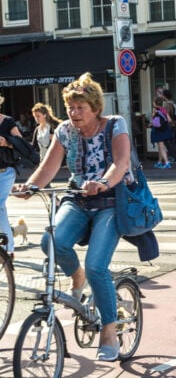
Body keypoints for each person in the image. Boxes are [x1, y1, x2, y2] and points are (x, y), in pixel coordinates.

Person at [13, 73, 134, 362]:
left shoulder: (116, 125)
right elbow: (49, 166)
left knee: (97, 266)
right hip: (78, 199)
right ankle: (75, 275)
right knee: (51, 242)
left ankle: (109, 329)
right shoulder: (65, 131)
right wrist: (29, 186)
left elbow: (122, 163)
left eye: (80, 107)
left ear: (95, 108)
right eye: (70, 107)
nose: (74, 112)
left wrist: (103, 182)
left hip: (110, 201)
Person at [0, 96, 25, 258]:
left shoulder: (7, 122)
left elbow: (21, 143)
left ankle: (9, 249)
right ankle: (10, 237)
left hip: (5, 172)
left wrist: (6, 142)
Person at [150, 96, 174, 169]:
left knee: (161, 146)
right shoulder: (163, 109)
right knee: (161, 146)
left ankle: (167, 162)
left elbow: (152, 121)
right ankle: (159, 162)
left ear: (155, 102)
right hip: (165, 129)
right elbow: (169, 120)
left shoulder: (155, 109)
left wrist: (153, 117)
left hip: (158, 130)